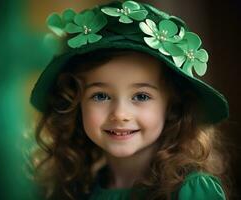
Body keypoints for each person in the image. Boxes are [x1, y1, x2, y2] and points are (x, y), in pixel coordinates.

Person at [30, 1, 231, 199]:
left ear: (173, 105)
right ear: (75, 102)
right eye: (100, 95)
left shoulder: (191, 191)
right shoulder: (70, 191)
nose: (120, 114)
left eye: (141, 96)